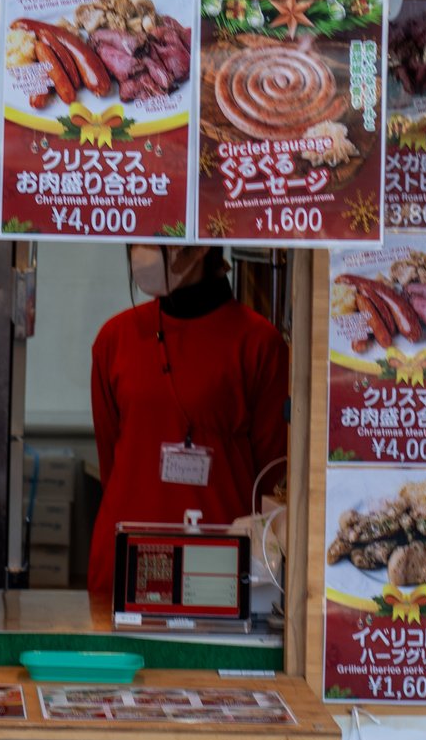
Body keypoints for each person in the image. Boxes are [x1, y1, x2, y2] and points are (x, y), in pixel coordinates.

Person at [87, 244, 289, 600]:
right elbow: (111, 460)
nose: (142, 248)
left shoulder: (260, 344)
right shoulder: (114, 339)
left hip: (218, 567)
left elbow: (269, 477)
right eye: (138, 237)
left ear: (202, 244)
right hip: (126, 560)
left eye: (161, 236)